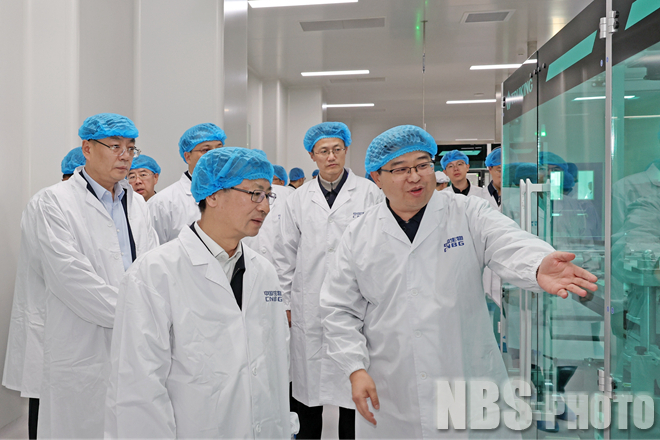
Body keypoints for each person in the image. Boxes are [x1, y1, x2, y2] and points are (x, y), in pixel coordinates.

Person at [320, 125, 598, 439]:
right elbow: (339, 309)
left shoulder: (467, 212)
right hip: (392, 384)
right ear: (377, 177)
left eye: (423, 165)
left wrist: (536, 263)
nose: (415, 177)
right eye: (400, 169)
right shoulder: (359, 234)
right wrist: (355, 368)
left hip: (466, 374)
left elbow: (507, 240)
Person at [105, 147, 293, 439]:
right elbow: (139, 386)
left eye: (268, 196)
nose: (265, 207)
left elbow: (275, 368)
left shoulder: (264, 272)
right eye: (255, 194)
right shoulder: (155, 273)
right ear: (213, 195)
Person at [32, 113, 158, 438]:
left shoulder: (138, 204)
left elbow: (153, 268)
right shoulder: (53, 202)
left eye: (131, 147)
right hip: (82, 348)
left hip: (138, 343)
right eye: (115, 146)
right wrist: (138, 314)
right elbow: (72, 279)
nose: (125, 155)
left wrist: (148, 314)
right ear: (87, 149)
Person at [273, 122, 383, 439]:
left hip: (357, 302)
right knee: (308, 394)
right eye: (323, 151)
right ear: (312, 155)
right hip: (308, 304)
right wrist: (286, 302)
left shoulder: (369, 194)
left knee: (354, 393)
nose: (331, 156)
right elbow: (284, 254)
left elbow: (381, 249)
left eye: (337, 149)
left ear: (346, 150)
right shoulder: (298, 199)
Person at [2, 146, 87, 439]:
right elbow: (64, 270)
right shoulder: (47, 203)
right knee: (44, 402)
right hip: (49, 317)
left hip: (70, 323)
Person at [148, 123, 226, 244]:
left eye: (219, 149)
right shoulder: (162, 203)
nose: (215, 155)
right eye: (206, 150)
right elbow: (152, 249)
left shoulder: (233, 194)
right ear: (188, 157)